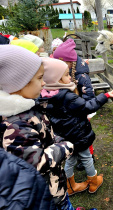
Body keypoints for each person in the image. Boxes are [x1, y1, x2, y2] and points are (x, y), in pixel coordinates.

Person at [0, 45, 75, 209]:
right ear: (18, 83)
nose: (43, 82)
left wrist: (56, 140)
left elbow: (43, 137)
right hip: (45, 195)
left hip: (54, 185)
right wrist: (65, 146)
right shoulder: (16, 124)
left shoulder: (26, 109)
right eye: (39, 78)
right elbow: (36, 163)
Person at [39, 58, 113, 196]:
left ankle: (70, 186)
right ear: (57, 79)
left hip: (64, 135)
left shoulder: (45, 96)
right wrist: (105, 96)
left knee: (71, 159)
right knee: (86, 157)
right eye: (67, 75)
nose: (70, 77)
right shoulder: (67, 96)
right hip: (78, 134)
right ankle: (93, 182)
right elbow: (88, 106)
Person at [53, 38, 97, 171]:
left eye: (60, 62)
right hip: (74, 109)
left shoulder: (81, 76)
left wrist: (87, 111)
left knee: (84, 134)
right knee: (76, 133)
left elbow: (89, 94)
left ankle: (89, 156)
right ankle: (80, 154)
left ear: (68, 62)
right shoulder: (67, 72)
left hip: (83, 109)